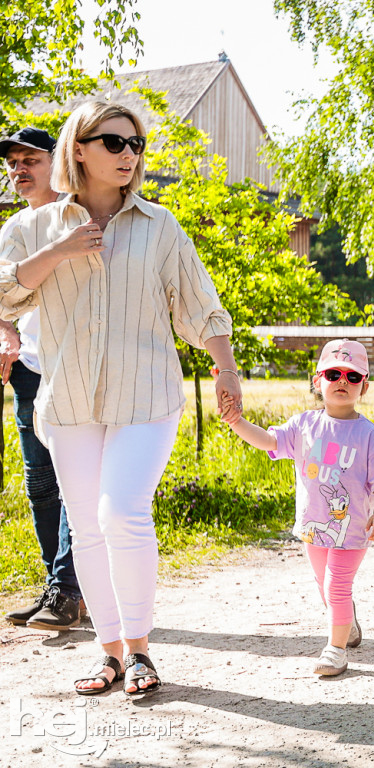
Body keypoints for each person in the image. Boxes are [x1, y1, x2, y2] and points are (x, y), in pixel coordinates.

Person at [0, 101, 240, 696]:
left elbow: (198, 303)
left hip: (147, 396)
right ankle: (108, 654)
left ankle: (140, 652)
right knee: (85, 527)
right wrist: (60, 251)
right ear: (78, 149)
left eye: (135, 143)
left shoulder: (160, 226)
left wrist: (226, 367)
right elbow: (4, 297)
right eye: (113, 142)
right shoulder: (31, 228)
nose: (129, 154)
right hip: (68, 398)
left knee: (121, 511)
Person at [224, 340, 374, 676]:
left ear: (364, 385)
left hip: (352, 530)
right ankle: (346, 622)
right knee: (324, 584)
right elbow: (269, 441)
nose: (342, 382)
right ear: (317, 380)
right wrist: (236, 422)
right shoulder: (304, 425)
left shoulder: (368, 435)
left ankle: (336, 649)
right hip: (312, 527)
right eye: (334, 374)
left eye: (352, 376)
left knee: (336, 584)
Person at [0, 127, 84, 631]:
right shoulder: (11, 228)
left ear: (56, 162)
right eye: (13, 163)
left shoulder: (77, 216)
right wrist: (5, 333)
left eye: (30, 159)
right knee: (41, 484)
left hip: (72, 367)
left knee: (73, 480)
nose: (19, 170)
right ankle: (61, 588)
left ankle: (70, 588)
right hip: (29, 371)